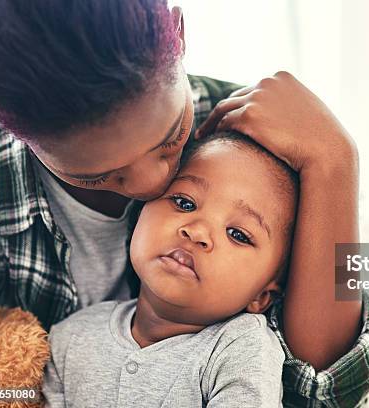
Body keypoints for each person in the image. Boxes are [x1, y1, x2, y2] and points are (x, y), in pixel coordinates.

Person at [0, 1, 369, 406]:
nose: (156, 184)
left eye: (171, 138)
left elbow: (322, 395)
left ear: (179, 32)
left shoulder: (259, 149)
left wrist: (335, 161)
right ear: (7, 125)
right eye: (99, 175)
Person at [42, 131, 297, 407]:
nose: (197, 231)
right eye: (185, 203)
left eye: (237, 234)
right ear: (140, 212)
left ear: (261, 296)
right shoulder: (71, 336)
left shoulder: (241, 348)